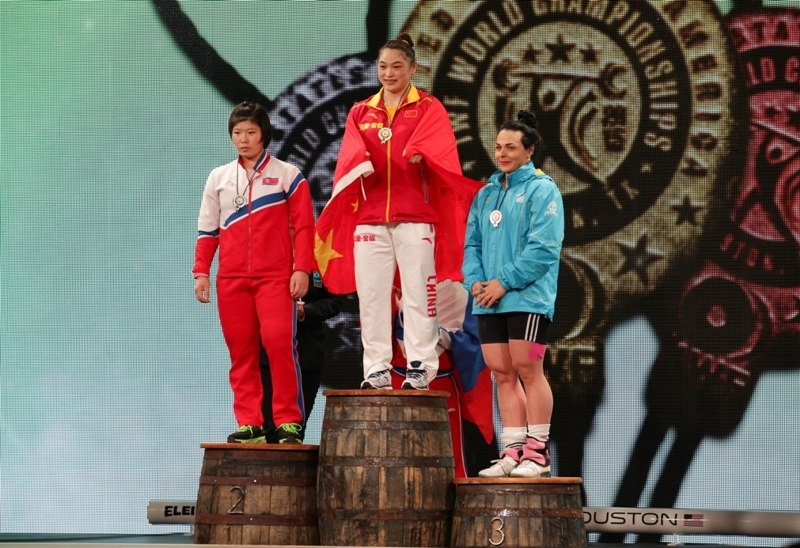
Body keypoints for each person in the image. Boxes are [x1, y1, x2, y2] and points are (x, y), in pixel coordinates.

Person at [315, 32, 473, 391]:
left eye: (397, 67)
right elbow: (349, 156)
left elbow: (441, 148)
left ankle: (421, 365)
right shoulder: (361, 112)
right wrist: (360, 163)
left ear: (413, 68)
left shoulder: (428, 108)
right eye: (383, 66)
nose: (388, 73)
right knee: (372, 297)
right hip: (370, 219)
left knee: (419, 294)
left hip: (416, 217)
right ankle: (376, 369)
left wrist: (424, 154)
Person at [193, 101, 315, 444]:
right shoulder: (219, 177)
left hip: (276, 278)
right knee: (241, 353)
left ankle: (288, 421)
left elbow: (304, 228)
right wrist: (201, 272)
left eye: (250, 132)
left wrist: (302, 269)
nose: (243, 139)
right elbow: (207, 229)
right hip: (231, 280)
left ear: (264, 134)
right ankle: (250, 423)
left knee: (279, 346)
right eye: (237, 132)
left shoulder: (288, 175)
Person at [462, 110, 565, 478]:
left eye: (510, 147)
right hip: (489, 300)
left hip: (528, 299)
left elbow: (544, 248)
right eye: (498, 147)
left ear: (529, 150)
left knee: (528, 368)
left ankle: (538, 454)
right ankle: (513, 451)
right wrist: (475, 282)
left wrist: (503, 282)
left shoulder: (543, 189)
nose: (502, 153)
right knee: (501, 373)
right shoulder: (487, 194)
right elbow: (471, 244)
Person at [260, 270, 340, 442]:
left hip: (307, 356)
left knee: (294, 432)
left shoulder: (320, 260)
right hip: (269, 359)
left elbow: (334, 302)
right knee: (268, 428)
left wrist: (304, 312)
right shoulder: (268, 261)